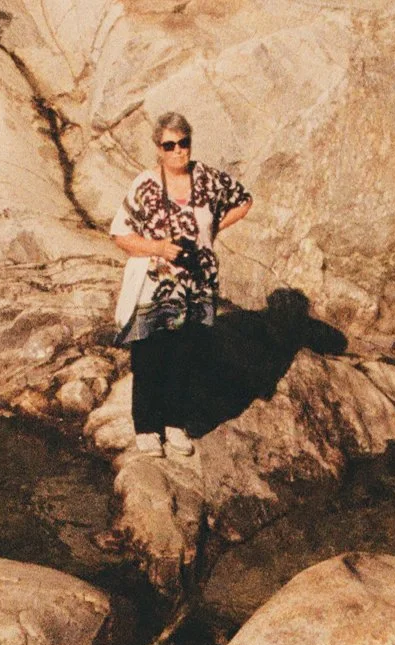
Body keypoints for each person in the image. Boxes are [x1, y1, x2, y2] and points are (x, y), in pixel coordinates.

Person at [110, 111, 251, 459]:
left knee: (186, 355)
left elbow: (244, 200)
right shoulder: (145, 184)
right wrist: (157, 247)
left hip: (197, 285)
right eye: (169, 145)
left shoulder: (206, 178)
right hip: (156, 287)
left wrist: (212, 230)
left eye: (183, 143)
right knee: (149, 356)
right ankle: (146, 426)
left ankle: (174, 424)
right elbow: (119, 234)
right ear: (158, 148)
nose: (178, 151)